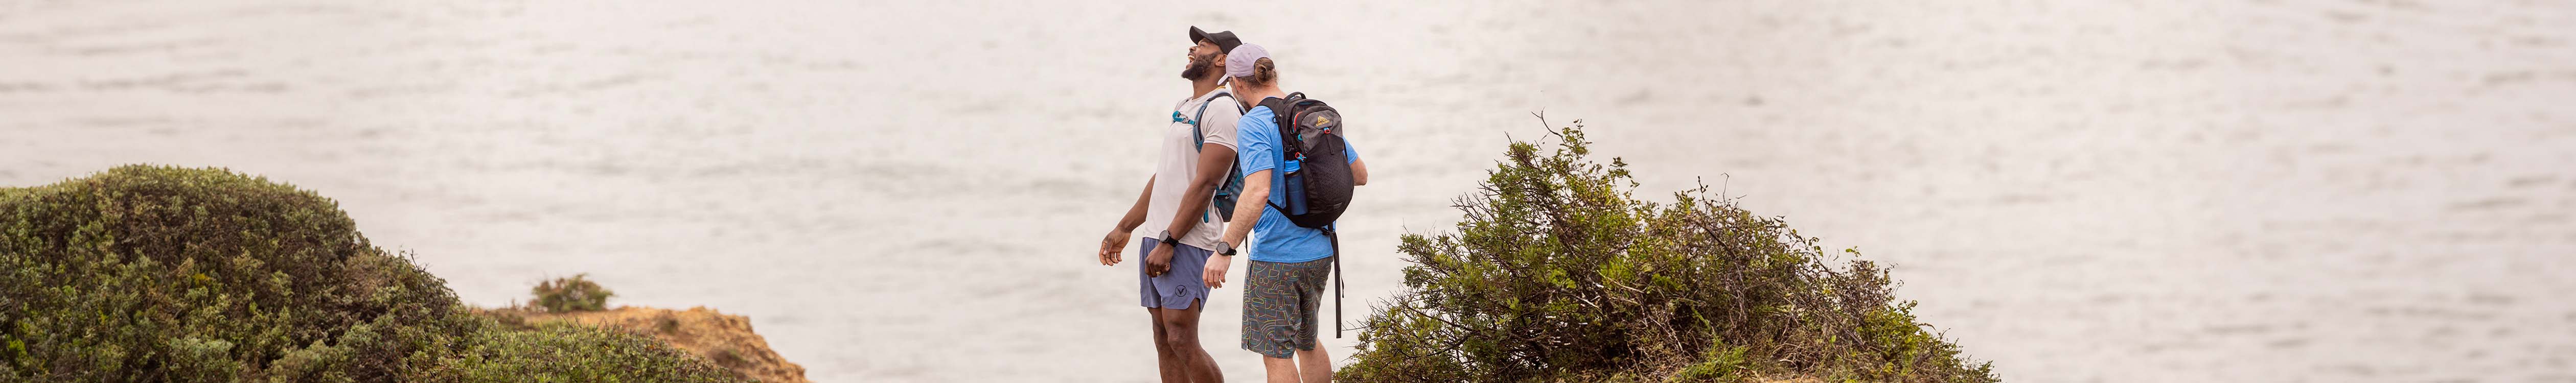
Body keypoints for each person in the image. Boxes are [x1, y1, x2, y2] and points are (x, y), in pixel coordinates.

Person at [1201, 43, 1369, 383]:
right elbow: (1360, 174)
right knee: (1306, 343)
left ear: (1237, 84)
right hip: (1321, 251)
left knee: (1275, 353)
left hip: (1277, 258)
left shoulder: (1254, 123)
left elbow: (1258, 190)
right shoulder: (1311, 117)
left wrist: (1225, 249)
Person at [1095, 26, 1247, 383]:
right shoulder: (1185, 107)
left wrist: (1170, 242)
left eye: (1203, 45)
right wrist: (1125, 227)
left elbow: (1208, 183)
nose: (1193, 49)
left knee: (1182, 336)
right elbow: (1165, 176)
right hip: (1157, 235)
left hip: (1187, 240)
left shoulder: (1223, 109)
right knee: (1163, 337)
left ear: (1222, 60)